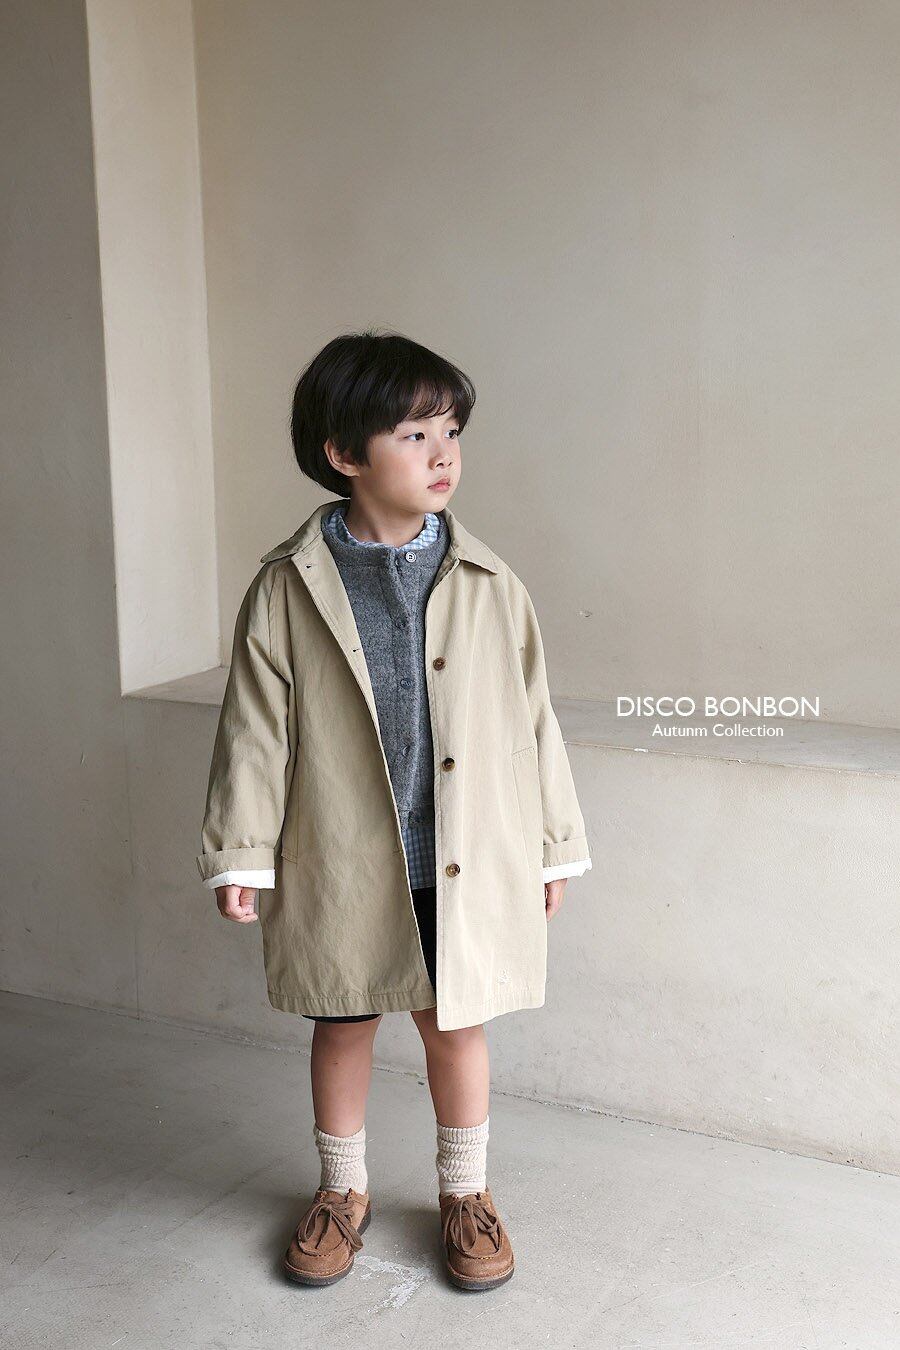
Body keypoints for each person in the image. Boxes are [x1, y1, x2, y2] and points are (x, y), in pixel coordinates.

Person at [195, 329, 592, 1290]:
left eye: (451, 431)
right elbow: (254, 729)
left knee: (455, 1025)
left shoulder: (491, 583)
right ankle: (342, 1191)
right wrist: (242, 850)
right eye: (415, 434)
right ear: (344, 452)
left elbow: (533, 718)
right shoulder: (287, 586)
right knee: (344, 1022)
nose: (443, 453)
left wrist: (551, 846)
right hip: (342, 853)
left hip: (461, 850)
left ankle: (466, 1193)